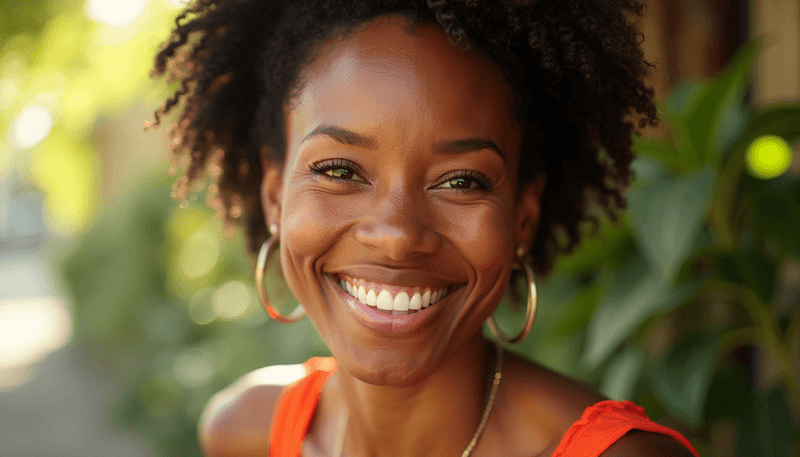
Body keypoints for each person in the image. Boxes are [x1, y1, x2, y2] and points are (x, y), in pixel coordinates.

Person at [148, 1, 700, 456]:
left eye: (461, 182)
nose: (396, 234)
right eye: (339, 170)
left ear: (522, 220)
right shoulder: (246, 434)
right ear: (274, 197)